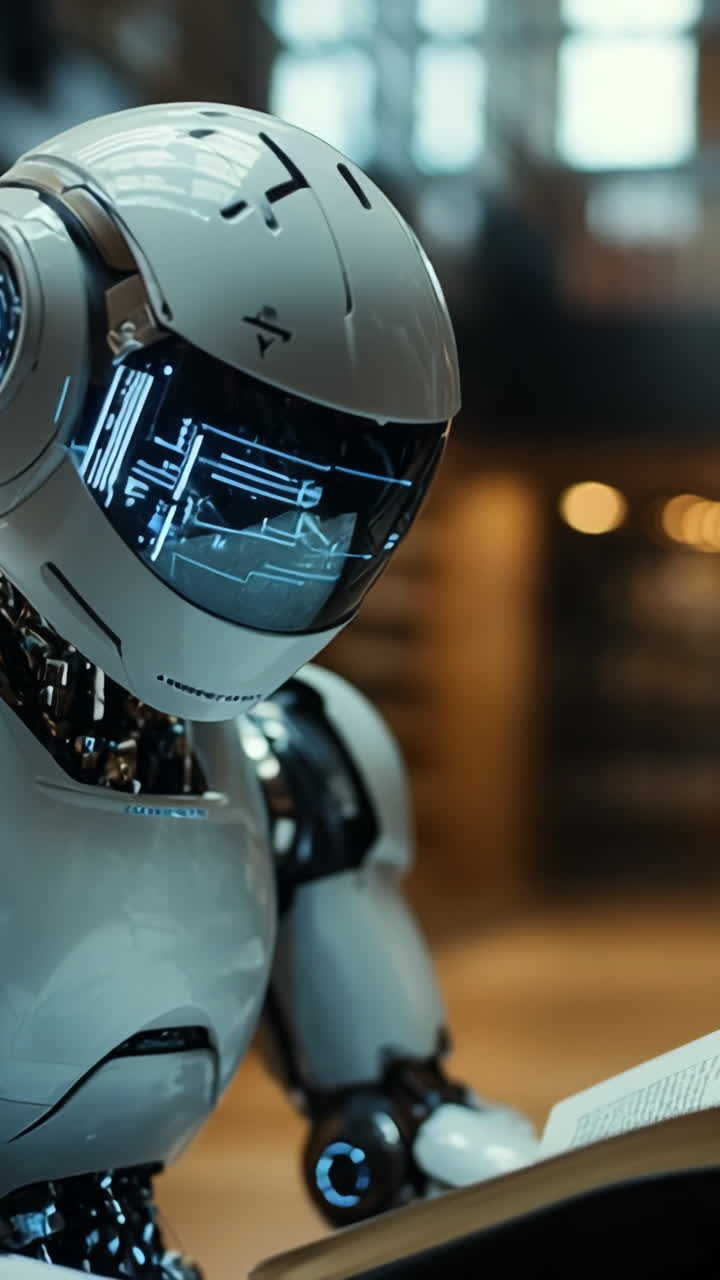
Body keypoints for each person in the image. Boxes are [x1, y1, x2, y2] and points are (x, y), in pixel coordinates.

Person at [0, 103, 538, 1279]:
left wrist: (565, 1192)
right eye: (228, 477)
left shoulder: (294, 748)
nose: (275, 538)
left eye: (332, 498)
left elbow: (396, 1121)